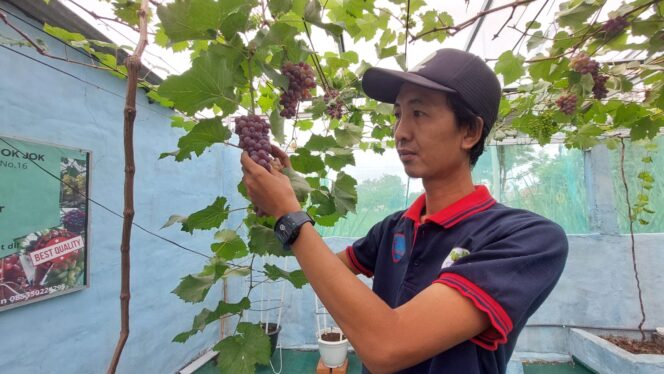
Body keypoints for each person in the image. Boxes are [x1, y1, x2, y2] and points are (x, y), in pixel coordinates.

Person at [240, 48, 568, 374]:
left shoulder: (527, 239)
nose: (400, 133)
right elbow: (330, 272)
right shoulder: (394, 228)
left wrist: (291, 216)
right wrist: (288, 193)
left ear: (470, 132)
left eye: (419, 114)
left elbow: (388, 346)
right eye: (398, 114)